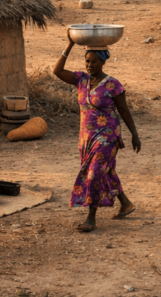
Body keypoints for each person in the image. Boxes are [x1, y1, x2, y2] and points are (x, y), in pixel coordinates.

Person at [53, 33, 141, 233]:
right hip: (86, 136)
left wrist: (134, 134)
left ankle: (91, 217)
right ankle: (125, 203)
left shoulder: (113, 84)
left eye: (94, 61)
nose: (89, 65)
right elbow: (57, 71)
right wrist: (69, 45)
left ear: (103, 62)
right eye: (87, 61)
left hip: (107, 135)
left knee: (93, 174)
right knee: (105, 170)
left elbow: (124, 111)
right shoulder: (80, 79)